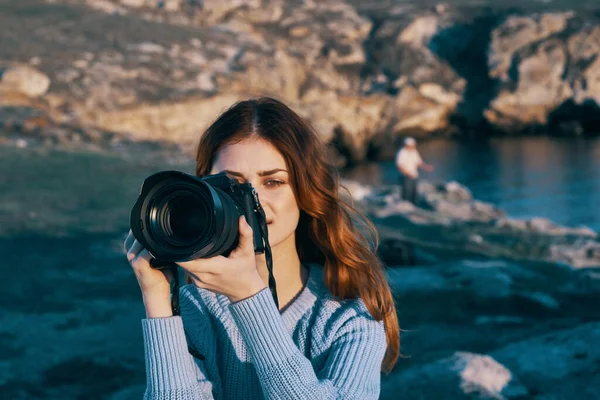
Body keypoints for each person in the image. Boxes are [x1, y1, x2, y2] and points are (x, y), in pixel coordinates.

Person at [124, 97, 400, 399]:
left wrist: (249, 297)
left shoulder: (350, 317)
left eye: (273, 182)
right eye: (232, 184)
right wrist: (158, 299)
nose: (252, 201)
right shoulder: (196, 308)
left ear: (305, 192)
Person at [395, 137, 434, 204]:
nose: (413, 146)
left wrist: (427, 167)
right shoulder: (402, 153)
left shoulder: (414, 152)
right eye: (412, 145)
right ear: (407, 145)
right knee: (406, 194)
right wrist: (408, 174)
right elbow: (399, 166)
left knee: (414, 194)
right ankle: (404, 209)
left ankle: (413, 208)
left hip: (414, 176)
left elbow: (419, 163)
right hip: (406, 177)